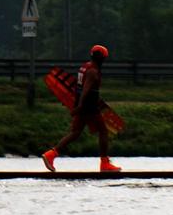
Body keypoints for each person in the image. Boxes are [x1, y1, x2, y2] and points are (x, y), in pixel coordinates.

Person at [44, 44, 121, 174]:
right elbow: (86, 90)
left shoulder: (85, 67)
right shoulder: (93, 71)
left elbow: (81, 88)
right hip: (88, 106)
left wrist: (79, 104)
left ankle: (50, 154)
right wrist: (80, 106)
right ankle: (104, 163)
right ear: (101, 58)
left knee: (75, 132)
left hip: (84, 104)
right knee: (103, 131)